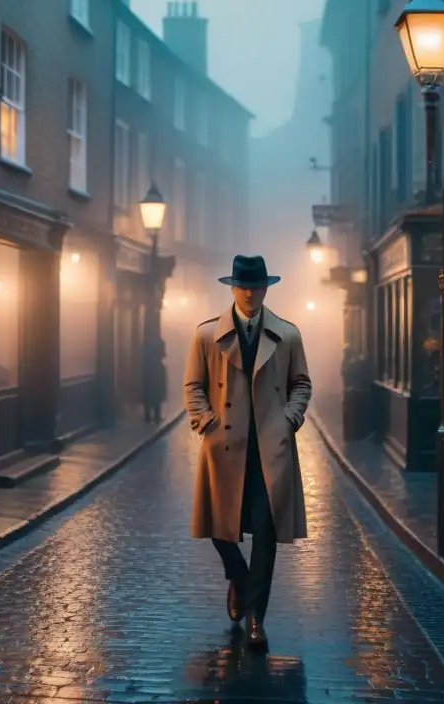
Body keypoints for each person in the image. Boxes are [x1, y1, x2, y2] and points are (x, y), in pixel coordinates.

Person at [183, 254, 313, 648]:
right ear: (232, 288)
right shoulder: (207, 335)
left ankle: (256, 616)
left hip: (269, 450)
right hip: (224, 444)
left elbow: (302, 384)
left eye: (257, 287)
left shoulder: (287, 334)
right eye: (244, 286)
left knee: (267, 534)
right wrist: (205, 420)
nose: (251, 293)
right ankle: (238, 577)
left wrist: (288, 419)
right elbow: (193, 386)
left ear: (266, 288)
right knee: (220, 529)